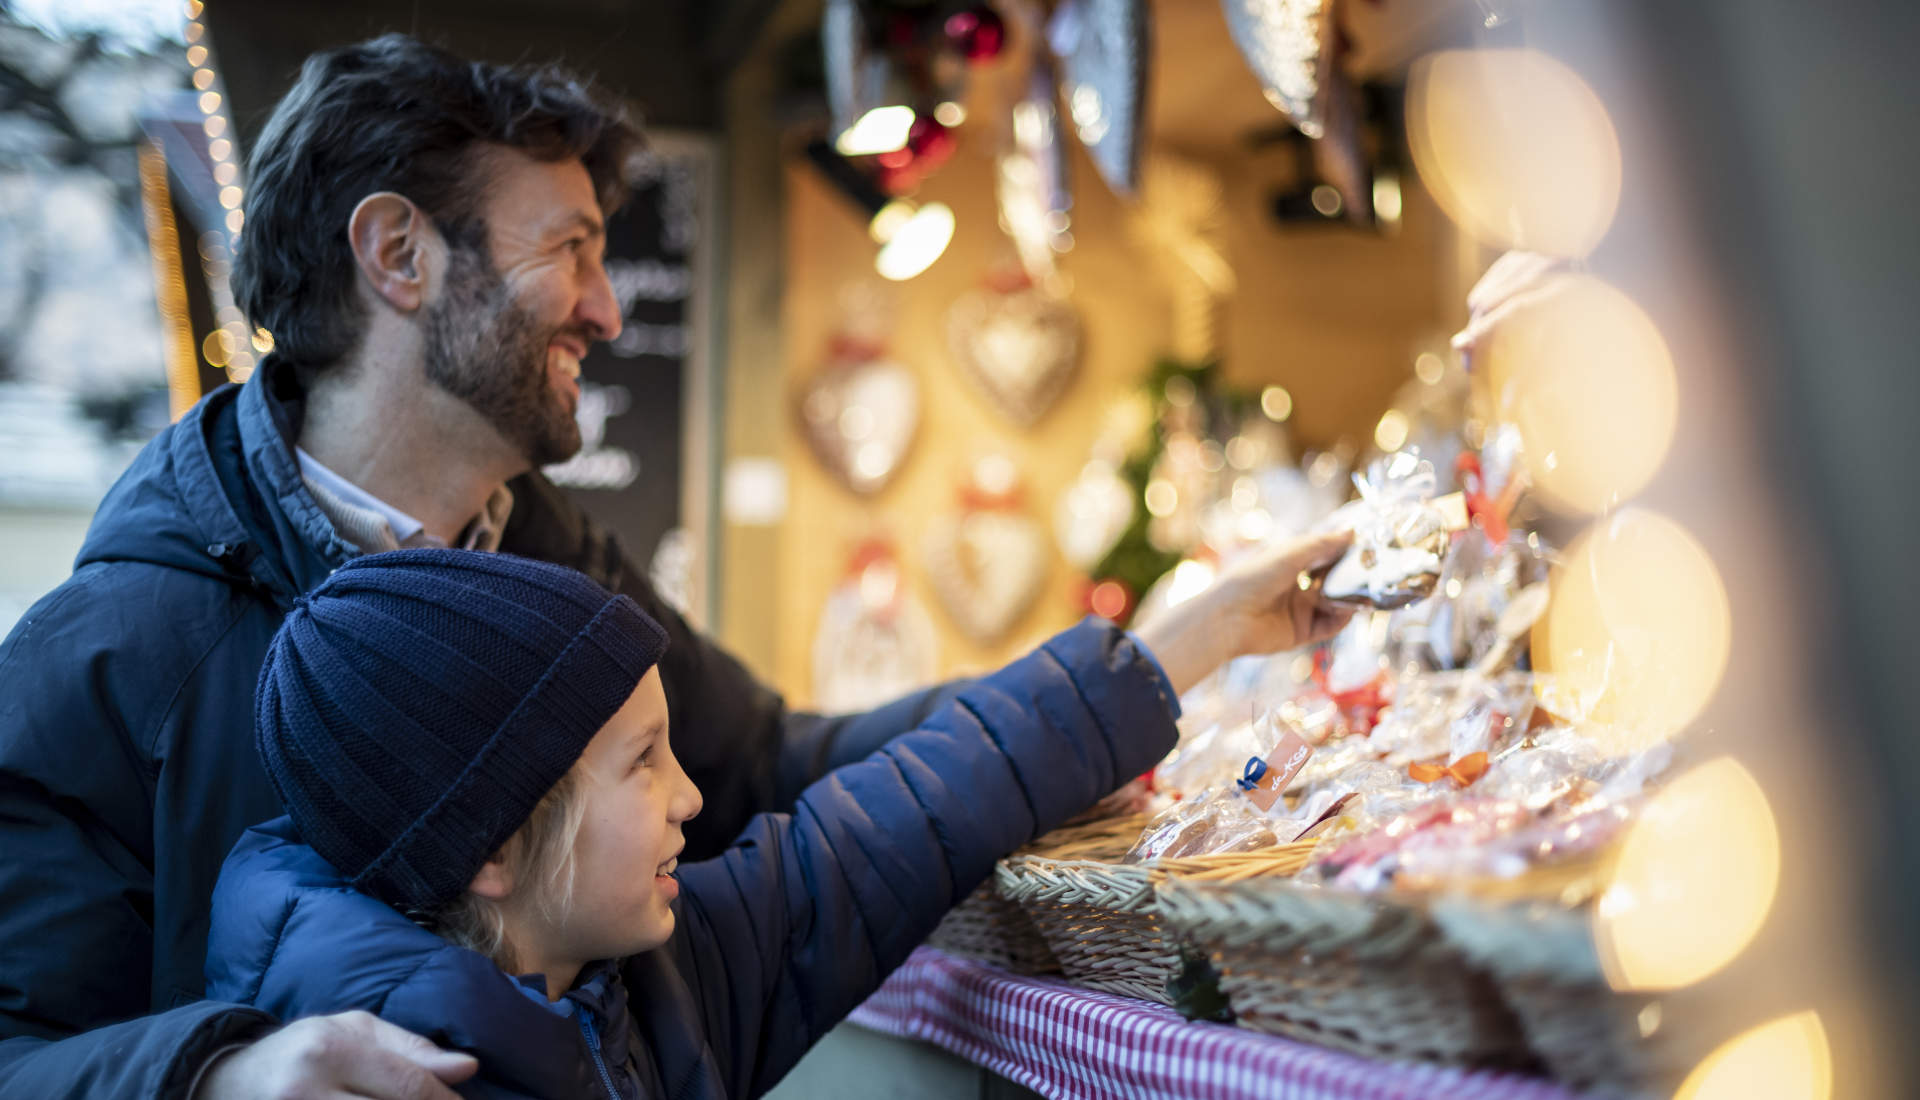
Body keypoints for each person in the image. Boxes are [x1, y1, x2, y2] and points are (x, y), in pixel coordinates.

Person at [0, 32, 1353, 1100]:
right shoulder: (111, 655)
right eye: (569, 252)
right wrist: (212, 1073)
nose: (603, 304)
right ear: (398, 255)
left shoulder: (549, 553)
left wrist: (1147, 663)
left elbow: (777, 775)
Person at [203, 548, 1186, 1099]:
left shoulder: (633, 976)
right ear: (492, 842)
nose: (691, 795)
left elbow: (880, 828)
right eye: (642, 760)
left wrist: (1180, 647)